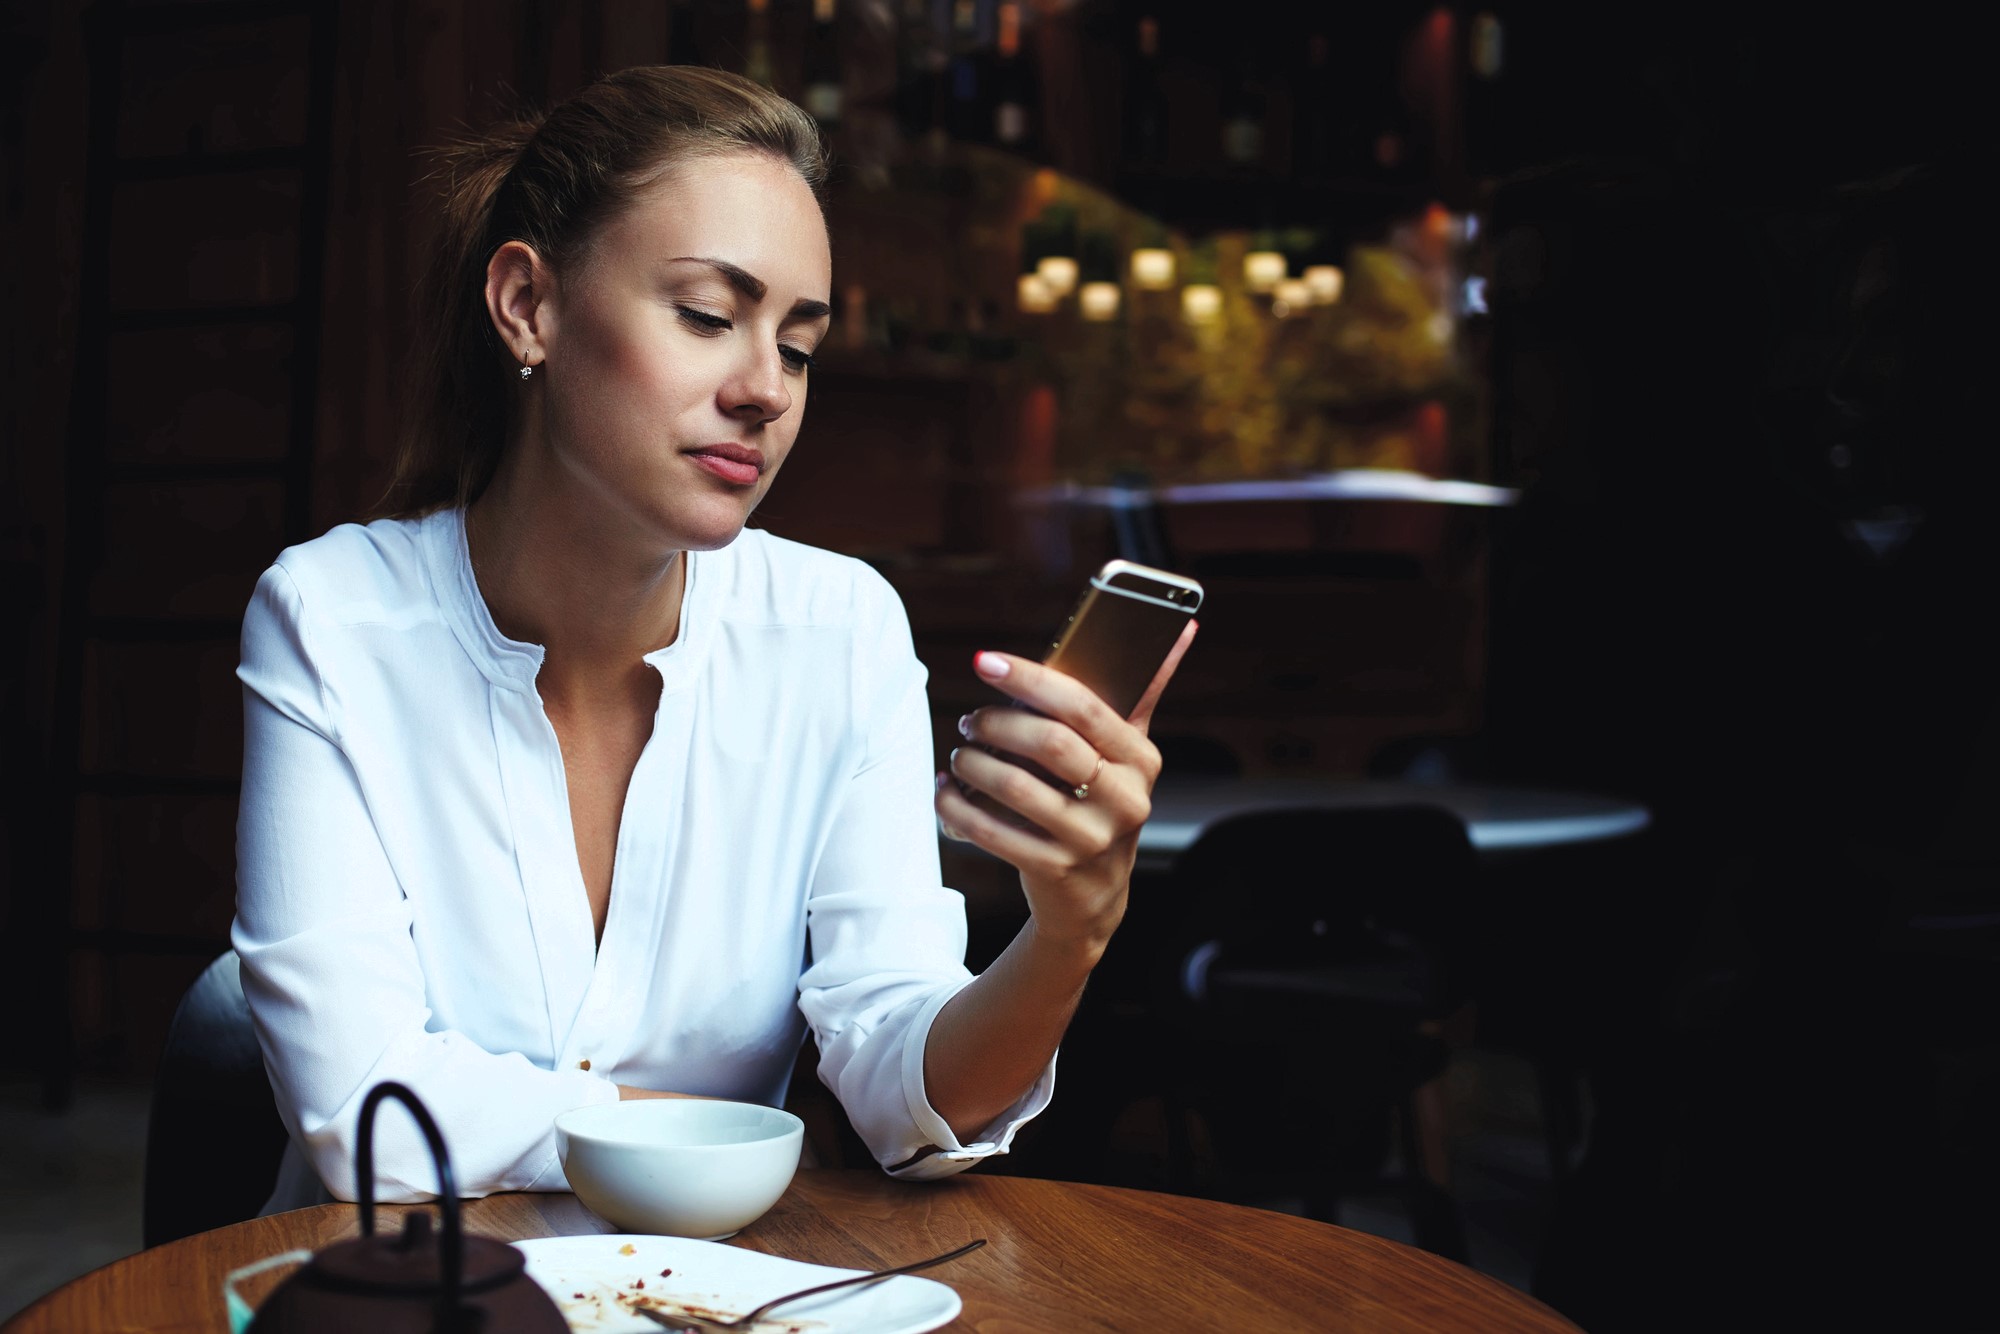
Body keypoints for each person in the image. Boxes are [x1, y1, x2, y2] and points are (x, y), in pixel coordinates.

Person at [232, 65, 1194, 1209]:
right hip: (402, 1294)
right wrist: (747, 1139)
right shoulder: (334, 618)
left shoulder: (837, 630)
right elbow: (363, 1112)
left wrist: (1066, 934)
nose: (762, 390)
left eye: (796, 345)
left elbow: (906, 1087)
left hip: (717, 1296)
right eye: (704, 315)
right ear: (527, 306)